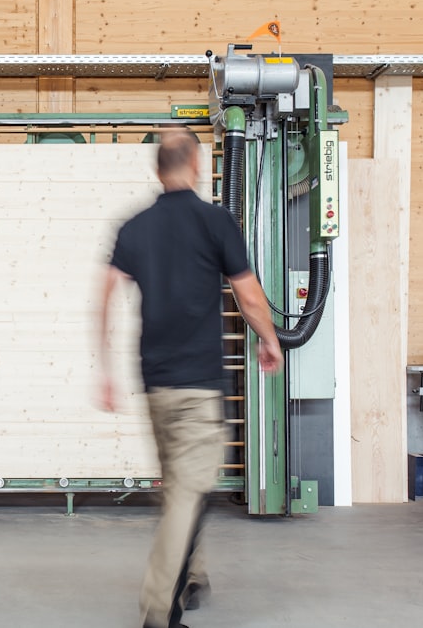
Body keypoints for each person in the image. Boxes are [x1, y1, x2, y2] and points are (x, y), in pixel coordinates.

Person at [97, 127, 283, 628]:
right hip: (200, 385)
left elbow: (106, 293)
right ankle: (159, 609)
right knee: (188, 490)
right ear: (197, 166)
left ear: (159, 170)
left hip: (156, 383)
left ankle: (193, 577)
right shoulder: (215, 221)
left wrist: (105, 369)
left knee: (182, 487)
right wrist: (269, 338)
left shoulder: (134, 227)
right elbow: (248, 295)